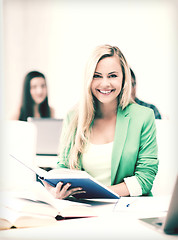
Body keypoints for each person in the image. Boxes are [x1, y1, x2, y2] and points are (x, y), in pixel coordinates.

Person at [43, 44, 159, 199]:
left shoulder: (144, 117)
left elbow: (145, 179)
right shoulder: (74, 117)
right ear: (88, 80)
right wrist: (55, 189)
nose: (105, 83)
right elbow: (63, 167)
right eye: (97, 76)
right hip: (83, 209)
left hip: (129, 209)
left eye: (112, 76)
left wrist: (100, 193)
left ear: (124, 78)